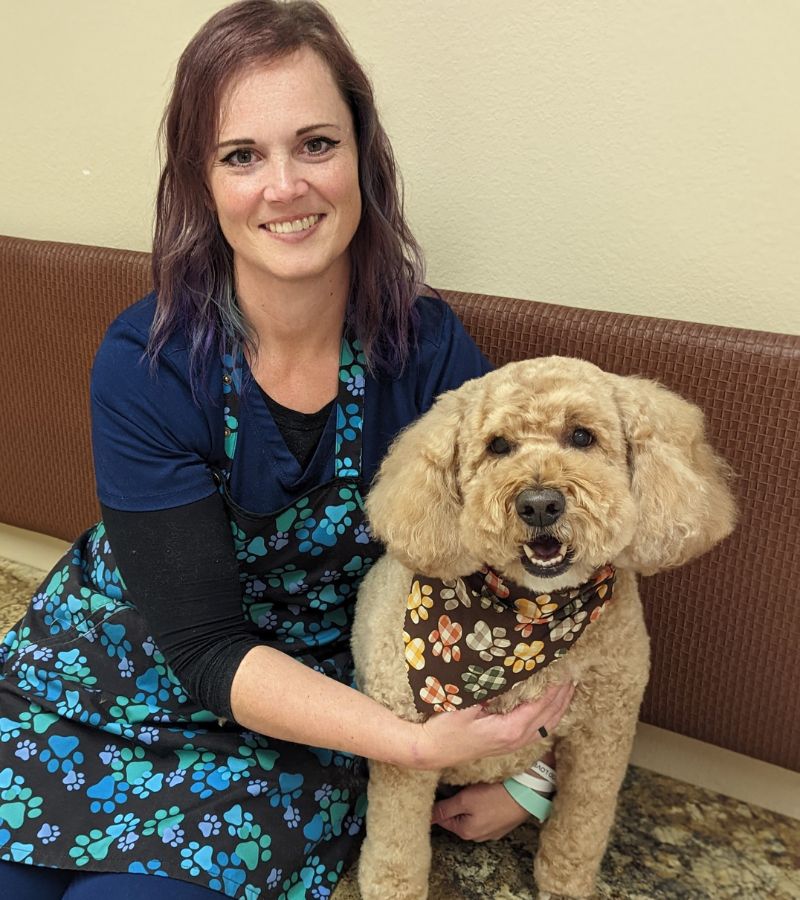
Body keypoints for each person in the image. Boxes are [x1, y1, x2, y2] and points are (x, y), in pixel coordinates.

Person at [0, 2, 573, 897]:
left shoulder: (431, 354)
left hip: (305, 721)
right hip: (110, 673)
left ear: (362, 156)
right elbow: (203, 645)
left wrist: (532, 772)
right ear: (203, 184)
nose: (285, 186)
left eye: (315, 144)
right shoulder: (144, 360)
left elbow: (547, 560)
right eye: (242, 156)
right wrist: (420, 746)